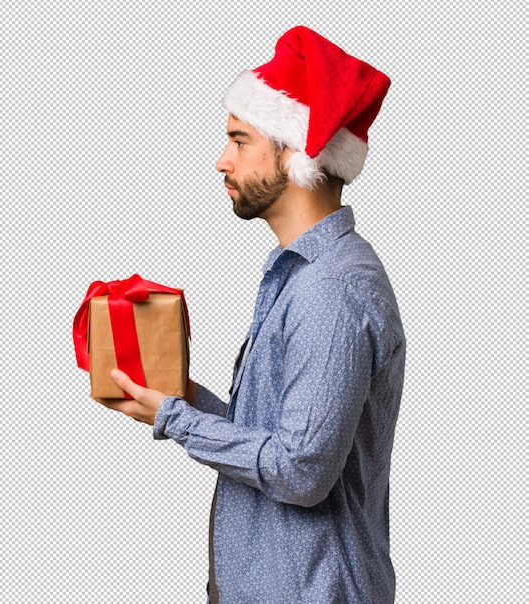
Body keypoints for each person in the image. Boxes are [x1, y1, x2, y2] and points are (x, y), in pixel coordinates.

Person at [103, 25, 405, 603]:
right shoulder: (297, 274)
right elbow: (277, 439)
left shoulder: (330, 290)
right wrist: (180, 396)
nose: (221, 161)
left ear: (294, 154)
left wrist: (175, 418)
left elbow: (300, 471)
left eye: (239, 141)